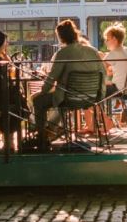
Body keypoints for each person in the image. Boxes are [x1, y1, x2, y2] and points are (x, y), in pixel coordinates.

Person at [26, 19, 107, 152]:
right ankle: (54, 130)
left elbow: (52, 78)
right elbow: (103, 74)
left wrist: (43, 91)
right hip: (91, 97)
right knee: (56, 100)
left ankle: (42, 138)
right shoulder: (92, 51)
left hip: (68, 98)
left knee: (39, 101)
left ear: (61, 37)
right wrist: (100, 95)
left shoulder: (62, 53)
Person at [101, 23, 127, 124]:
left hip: (118, 89)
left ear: (114, 39)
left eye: (107, 39)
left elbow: (100, 68)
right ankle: (106, 121)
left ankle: (103, 123)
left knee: (92, 91)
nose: (106, 42)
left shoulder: (114, 53)